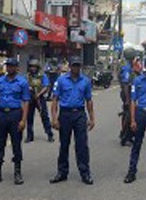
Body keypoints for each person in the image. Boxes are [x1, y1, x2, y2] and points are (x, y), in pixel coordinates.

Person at [50, 56, 96, 185]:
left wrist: (92, 118)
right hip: (65, 115)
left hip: (80, 114)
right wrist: (54, 119)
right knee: (64, 144)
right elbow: (55, 100)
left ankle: (85, 173)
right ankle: (62, 172)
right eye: (74, 65)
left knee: (82, 145)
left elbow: (89, 100)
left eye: (78, 65)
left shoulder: (85, 81)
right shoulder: (61, 80)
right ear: (69, 66)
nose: (76, 68)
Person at [0, 58, 30, 186]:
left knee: (16, 144)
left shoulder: (22, 82)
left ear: (16, 68)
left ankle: (17, 172)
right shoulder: (0, 81)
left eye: (12, 66)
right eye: (8, 66)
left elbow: (26, 101)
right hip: (2, 115)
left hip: (15, 114)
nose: (9, 68)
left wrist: (23, 120)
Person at [26, 58, 54, 143]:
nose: (33, 69)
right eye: (31, 67)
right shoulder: (27, 76)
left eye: (34, 67)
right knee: (29, 117)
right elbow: (24, 85)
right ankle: (30, 136)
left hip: (40, 98)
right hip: (30, 98)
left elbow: (46, 86)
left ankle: (49, 134)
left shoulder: (42, 75)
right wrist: (29, 89)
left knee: (44, 116)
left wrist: (39, 94)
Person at [119, 58, 134, 146]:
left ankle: (129, 135)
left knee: (129, 114)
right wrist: (127, 99)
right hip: (127, 94)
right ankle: (125, 137)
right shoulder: (127, 68)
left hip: (130, 93)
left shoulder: (131, 67)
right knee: (128, 116)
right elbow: (125, 84)